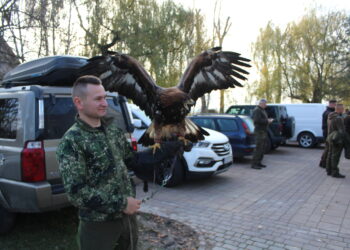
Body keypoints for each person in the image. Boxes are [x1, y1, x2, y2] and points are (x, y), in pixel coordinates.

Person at [56, 75, 181, 250]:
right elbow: (77, 193)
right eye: (98, 99)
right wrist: (122, 204)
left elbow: (134, 161)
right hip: (98, 225)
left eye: (105, 98)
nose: (105, 103)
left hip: (127, 220)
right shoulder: (72, 141)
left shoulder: (113, 132)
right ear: (79, 102)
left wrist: (167, 148)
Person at [251, 99, 273, 169]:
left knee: (262, 148)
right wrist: (267, 121)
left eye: (266, 103)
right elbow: (257, 120)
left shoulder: (262, 110)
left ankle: (259, 162)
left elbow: (262, 119)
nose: (266, 105)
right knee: (258, 148)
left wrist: (267, 120)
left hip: (263, 131)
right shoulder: (257, 110)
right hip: (259, 132)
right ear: (261, 104)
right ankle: (254, 164)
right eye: (265, 104)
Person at [326, 104, 346, 178]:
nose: (343, 110)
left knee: (330, 154)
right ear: (339, 109)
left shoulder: (330, 117)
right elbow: (341, 131)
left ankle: (329, 170)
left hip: (330, 138)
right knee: (335, 156)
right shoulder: (338, 118)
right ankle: (335, 172)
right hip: (337, 139)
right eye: (343, 108)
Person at [319, 99, 337, 168]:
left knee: (327, 148)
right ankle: (323, 163)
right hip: (327, 133)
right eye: (334, 104)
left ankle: (322, 162)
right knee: (328, 148)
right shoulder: (328, 113)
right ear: (330, 104)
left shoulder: (330, 112)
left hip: (328, 132)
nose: (335, 106)